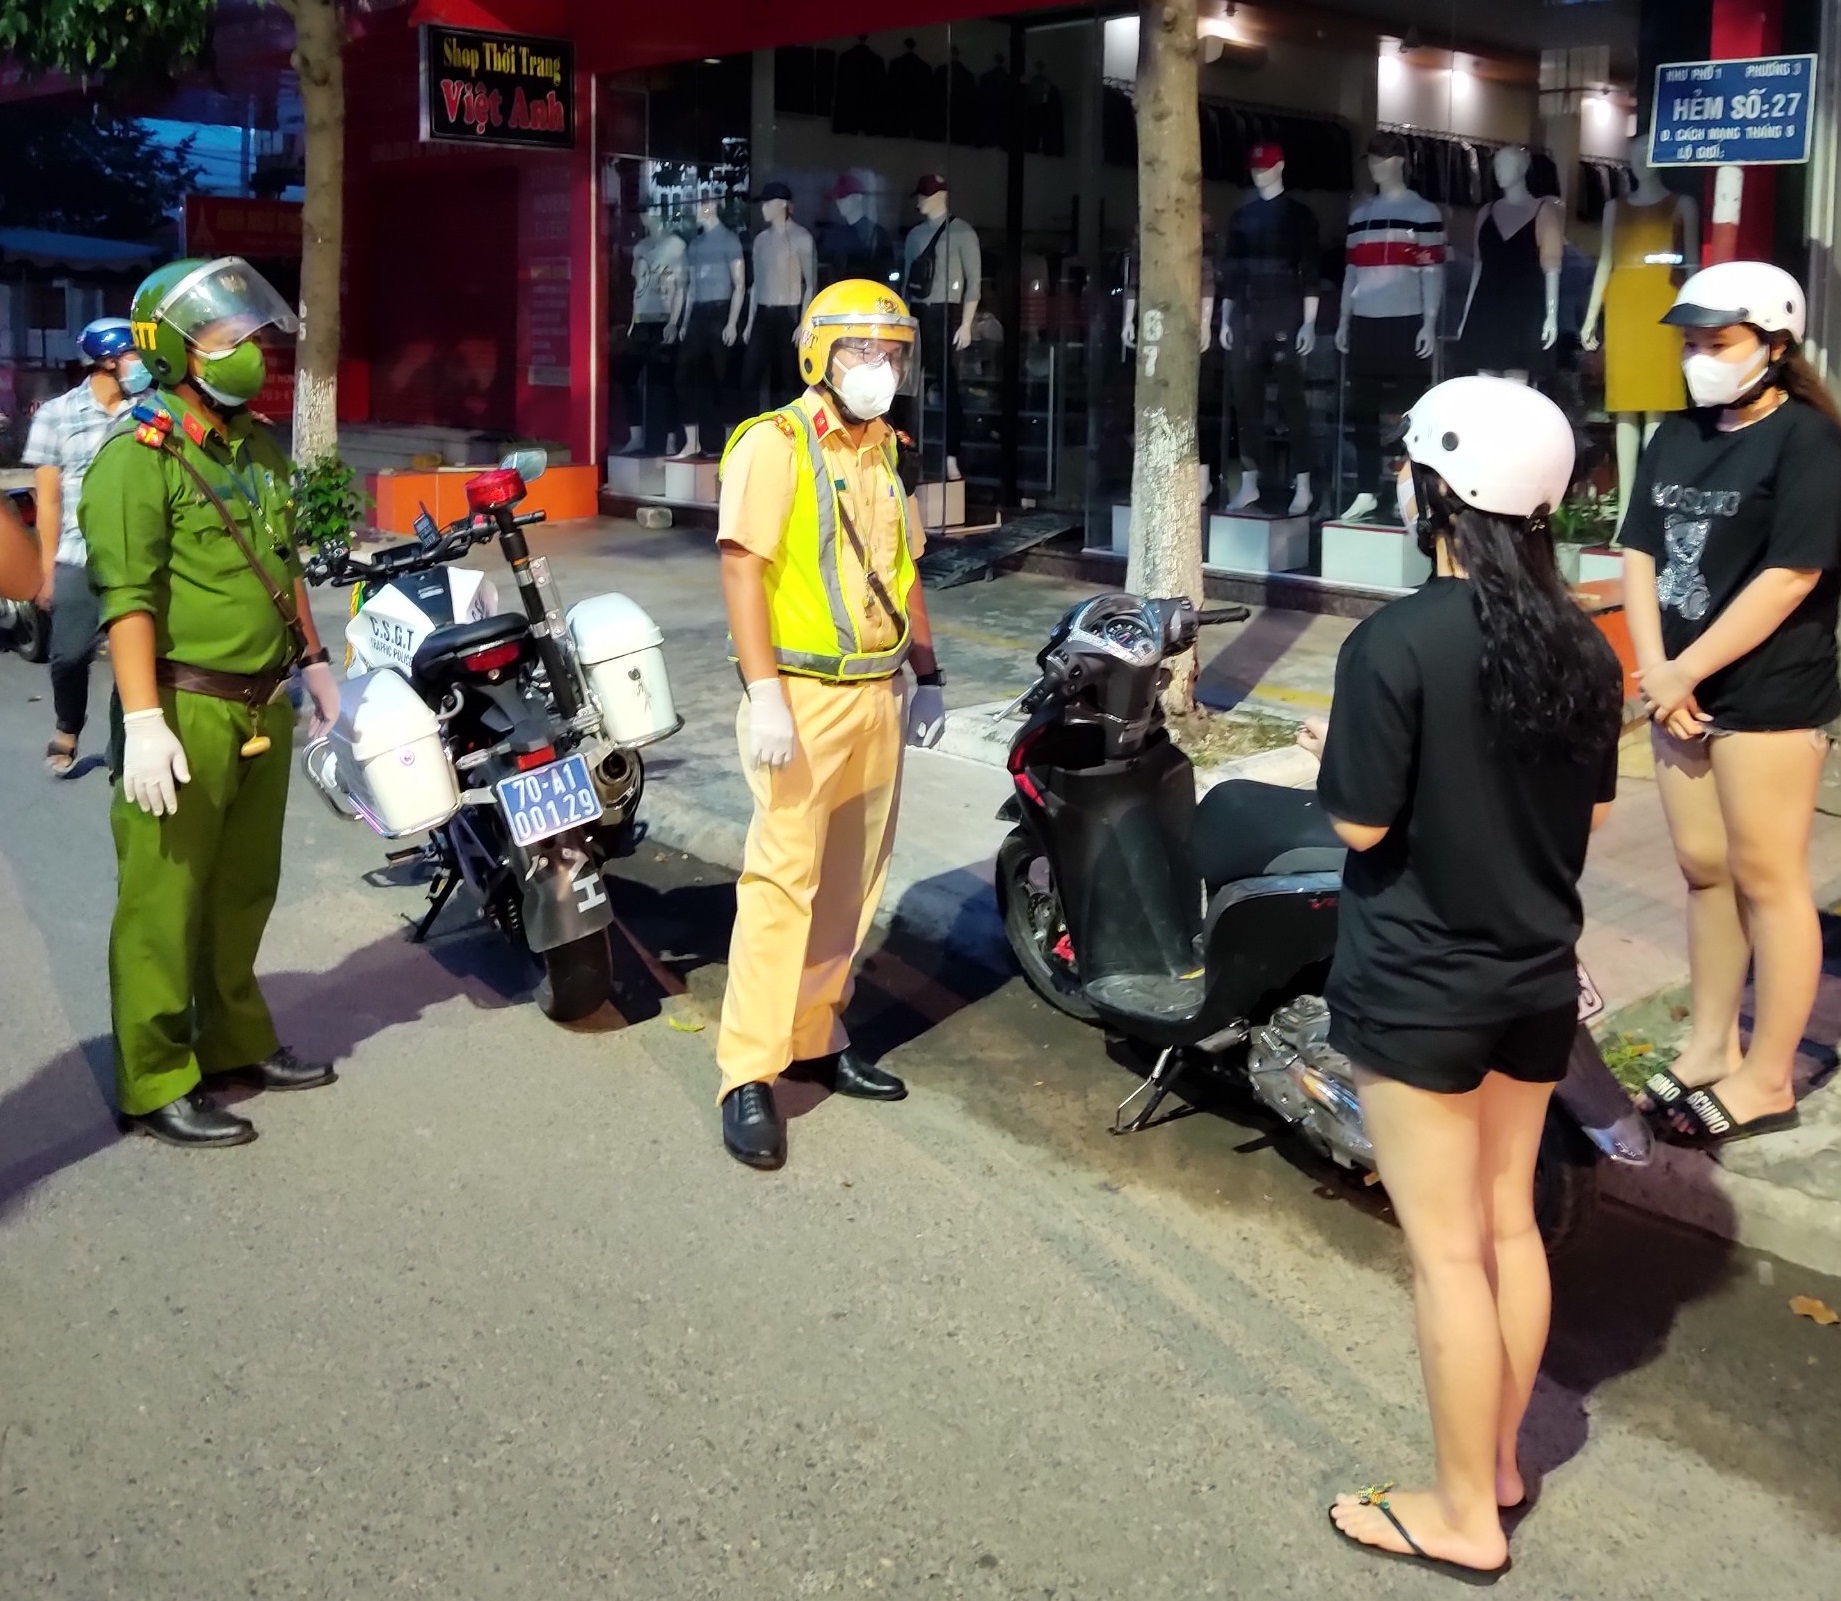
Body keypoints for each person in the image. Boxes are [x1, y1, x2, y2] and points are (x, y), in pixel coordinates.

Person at [1309, 378, 1622, 1581]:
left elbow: (1355, 821)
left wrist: (1331, 757)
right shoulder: (1579, 643)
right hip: (1533, 978)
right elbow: (1585, 810)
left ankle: (1457, 1514)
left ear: (1437, 492)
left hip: (1418, 984)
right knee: (1506, 1223)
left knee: (1445, 1251)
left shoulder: (1394, 641)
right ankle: (1493, 1462)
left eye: (1410, 471)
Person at [81, 257, 343, 1148]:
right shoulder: (136, 457)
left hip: (262, 703)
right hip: (183, 707)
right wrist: (142, 722)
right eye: (225, 338)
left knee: (241, 890)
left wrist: (314, 662)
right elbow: (127, 599)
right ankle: (155, 1077)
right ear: (171, 352)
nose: (248, 351)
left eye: (249, 334)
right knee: (163, 900)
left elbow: (282, 563)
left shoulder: (257, 446)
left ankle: (232, 1039)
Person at [713, 278, 947, 1170]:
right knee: (782, 884)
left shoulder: (888, 450)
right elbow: (741, 568)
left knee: (851, 883)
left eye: (891, 353)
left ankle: (815, 1033)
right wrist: (763, 690)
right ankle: (747, 1071)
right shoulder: (773, 444)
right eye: (859, 350)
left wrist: (928, 674)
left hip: (878, 695)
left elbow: (906, 570)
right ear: (818, 354)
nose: (877, 366)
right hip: (802, 699)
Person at [1620, 261, 1841, 1146]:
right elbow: (1639, 550)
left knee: (1767, 879)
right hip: (1679, 690)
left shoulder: (1808, 441)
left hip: (1770, 692)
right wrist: (1656, 668)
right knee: (1704, 870)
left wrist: (1683, 671)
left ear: (1774, 346)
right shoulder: (1674, 434)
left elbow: (1790, 576)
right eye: (1689, 342)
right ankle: (1711, 1043)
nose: (1697, 359)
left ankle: (1768, 1074)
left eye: (1718, 342)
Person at [22, 319, 152, 777]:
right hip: (78, 554)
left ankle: (123, 748)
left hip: (138, 555)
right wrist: (46, 571)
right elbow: (48, 499)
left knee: (134, 655)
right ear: (108, 361)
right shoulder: (56, 415)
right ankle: (68, 724)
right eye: (134, 356)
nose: (143, 365)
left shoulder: (151, 409)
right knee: (69, 655)